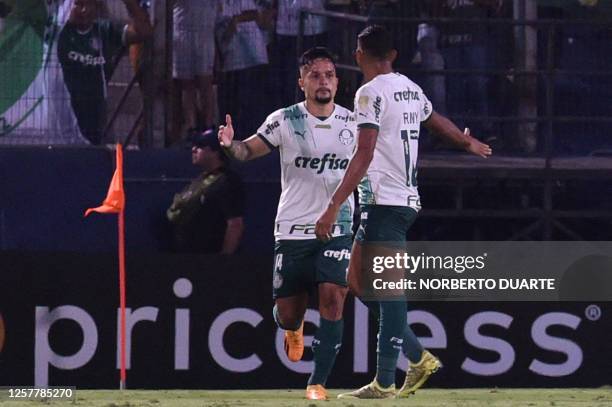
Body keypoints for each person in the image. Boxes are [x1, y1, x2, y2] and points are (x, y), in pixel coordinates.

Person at [315, 25, 492, 398]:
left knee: (387, 289)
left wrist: (333, 206)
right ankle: (416, 356)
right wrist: (466, 141)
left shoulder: (368, 93)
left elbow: (364, 152)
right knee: (358, 283)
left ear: (358, 54)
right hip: (396, 200)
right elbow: (434, 118)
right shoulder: (409, 88)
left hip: (386, 201)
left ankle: (384, 381)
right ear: (392, 54)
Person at [218, 47, 356, 400]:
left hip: (337, 228)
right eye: (315, 75)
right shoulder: (284, 120)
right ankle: (292, 328)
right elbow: (248, 151)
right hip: (293, 230)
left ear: (337, 82)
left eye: (328, 74)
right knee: (289, 313)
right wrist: (231, 145)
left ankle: (317, 382)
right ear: (302, 82)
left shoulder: (353, 124)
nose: (322, 81)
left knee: (332, 300)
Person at [57, 0, 152, 145]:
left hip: (96, 122)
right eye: (78, 4)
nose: (84, 10)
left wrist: (130, 3)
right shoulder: (60, 33)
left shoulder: (105, 30)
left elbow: (143, 31)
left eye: (89, 5)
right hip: (63, 122)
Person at [166, 130, 245, 254]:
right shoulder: (200, 180)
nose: (194, 149)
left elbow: (235, 224)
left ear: (215, 152)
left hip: (209, 260)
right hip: (187, 256)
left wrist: (224, 261)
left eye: (200, 146)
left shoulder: (227, 181)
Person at [170, 0, 219, 144]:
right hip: (182, 28)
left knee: (205, 82)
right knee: (186, 83)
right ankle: (191, 128)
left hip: (205, 29)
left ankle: (208, 126)